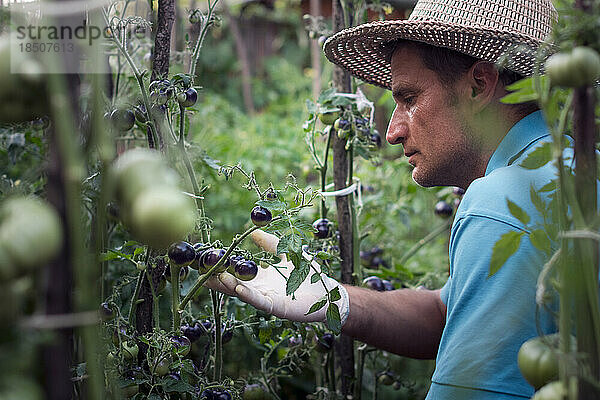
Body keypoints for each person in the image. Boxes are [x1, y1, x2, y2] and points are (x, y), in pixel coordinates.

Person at [209, 0, 561, 398]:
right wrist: (333, 300)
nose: (392, 131)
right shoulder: (567, 169)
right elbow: (446, 314)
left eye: (409, 99)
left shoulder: (501, 202)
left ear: (479, 85)